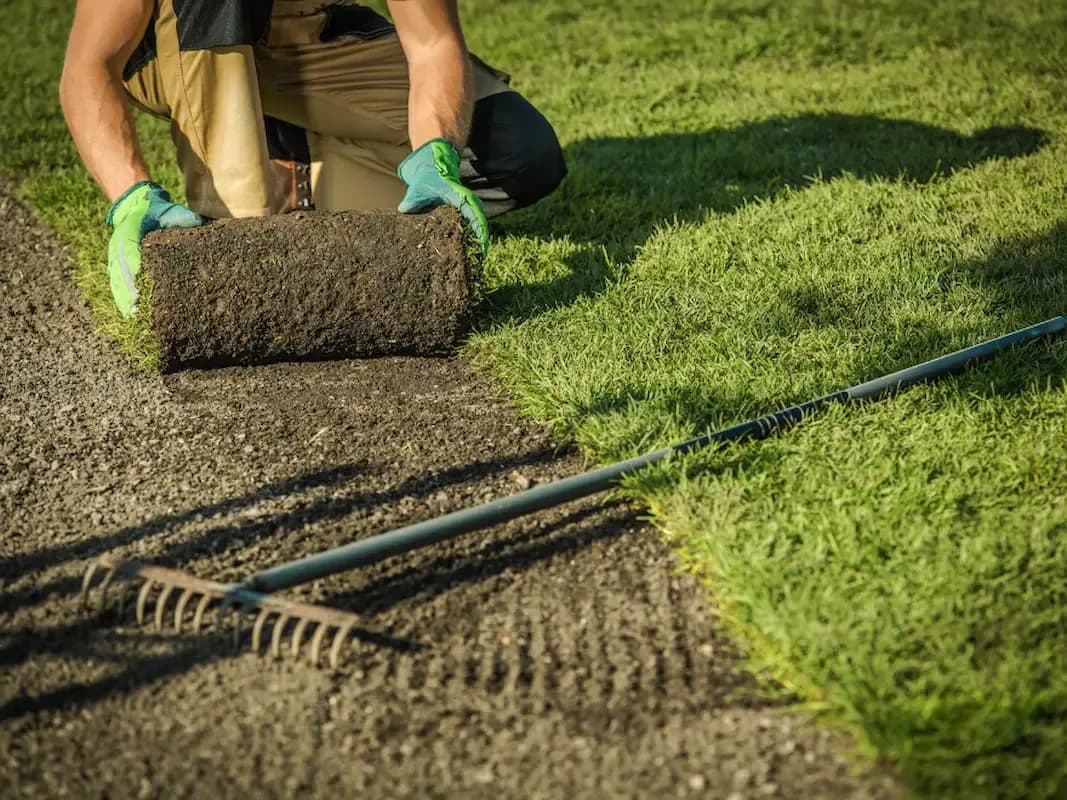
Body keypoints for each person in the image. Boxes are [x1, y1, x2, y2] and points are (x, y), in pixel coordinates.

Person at [60, 0, 567, 317]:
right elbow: (89, 65)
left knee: (517, 155)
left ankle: (293, 163)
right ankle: (234, 220)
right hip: (181, 38)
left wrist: (436, 154)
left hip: (309, 33)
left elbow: (433, 43)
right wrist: (130, 196)